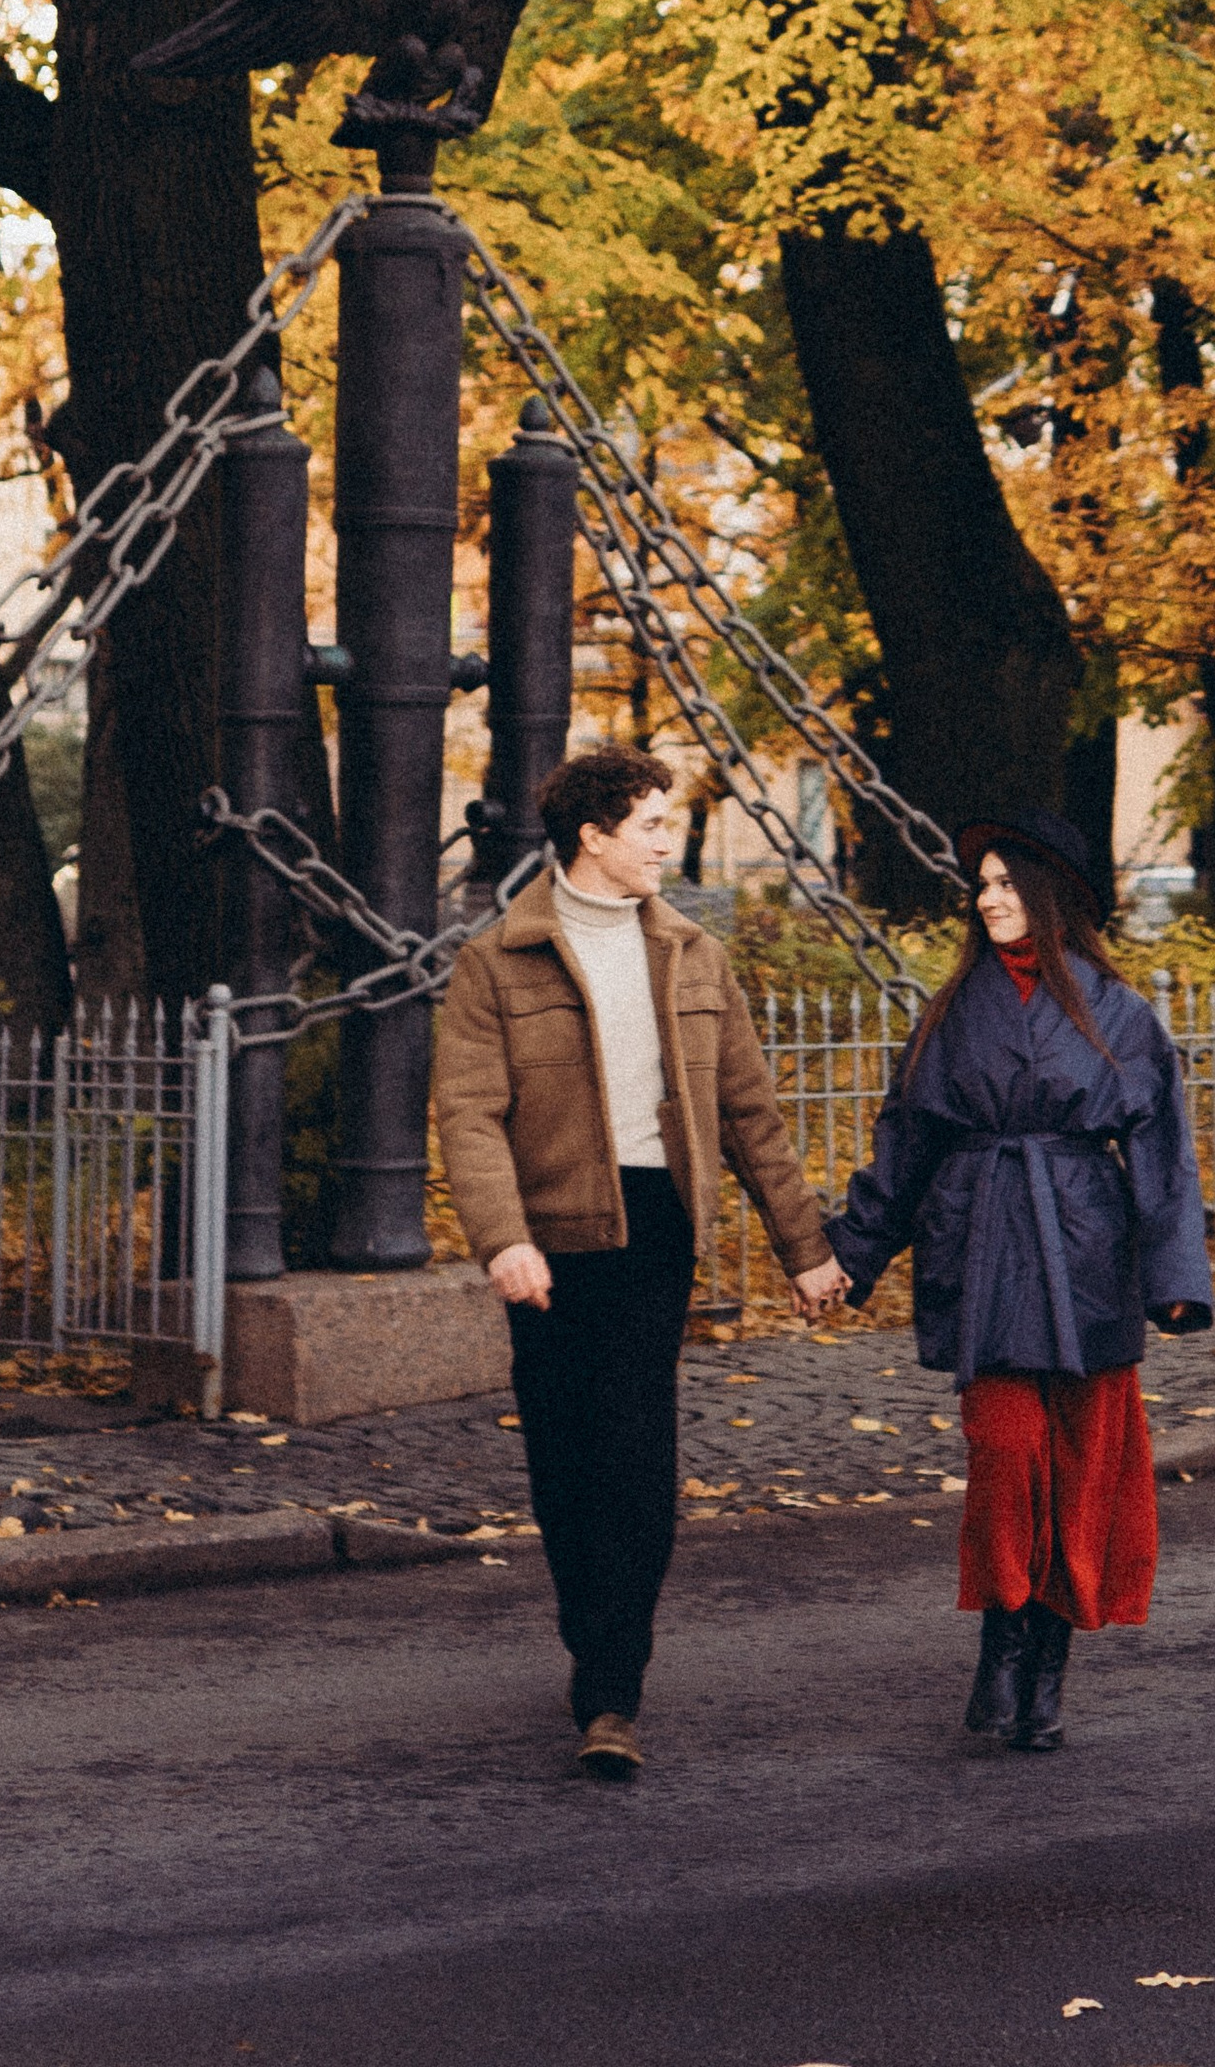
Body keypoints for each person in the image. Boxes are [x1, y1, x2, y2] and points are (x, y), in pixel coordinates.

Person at [433, 744, 847, 1779]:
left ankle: (613, 1685)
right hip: (549, 1240)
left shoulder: (694, 954)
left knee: (635, 1452)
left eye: (668, 824)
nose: (668, 842)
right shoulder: (497, 962)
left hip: (656, 1228)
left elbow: (749, 1114)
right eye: (652, 825)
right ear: (595, 836)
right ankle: (592, 1629)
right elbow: (470, 1116)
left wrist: (805, 1249)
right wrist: (504, 1237)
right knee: (564, 1458)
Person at [826, 806, 1212, 1753]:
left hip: (1088, 1250)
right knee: (1005, 1453)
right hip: (982, 1244)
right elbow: (905, 1147)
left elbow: (1163, 1153)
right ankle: (1001, 1637)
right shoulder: (954, 1011)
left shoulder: (1120, 1014)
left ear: (1050, 895)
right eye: (982, 885)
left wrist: (1175, 1277)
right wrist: (849, 1254)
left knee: (1079, 1467)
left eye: (1005, 884)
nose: (987, 899)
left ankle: (1046, 1664)